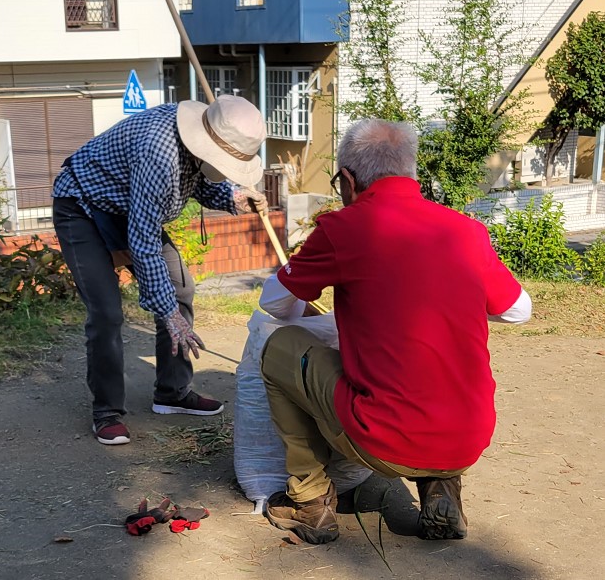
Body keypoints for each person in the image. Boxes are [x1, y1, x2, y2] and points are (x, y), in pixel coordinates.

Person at [258, 119, 532, 544]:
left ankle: (309, 501)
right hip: (468, 440)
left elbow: (273, 305)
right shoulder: (464, 231)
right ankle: (441, 487)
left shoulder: (343, 228)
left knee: (278, 346)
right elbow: (518, 311)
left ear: (347, 180)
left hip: (383, 441)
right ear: (412, 174)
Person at [52, 95, 267, 446]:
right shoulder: (159, 153)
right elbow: (144, 241)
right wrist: (166, 312)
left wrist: (234, 197)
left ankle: (172, 392)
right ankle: (107, 412)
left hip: (129, 208)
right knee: (107, 312)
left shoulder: (201, 137)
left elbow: (199, 180)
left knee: (181, 290)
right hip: (83, 206)